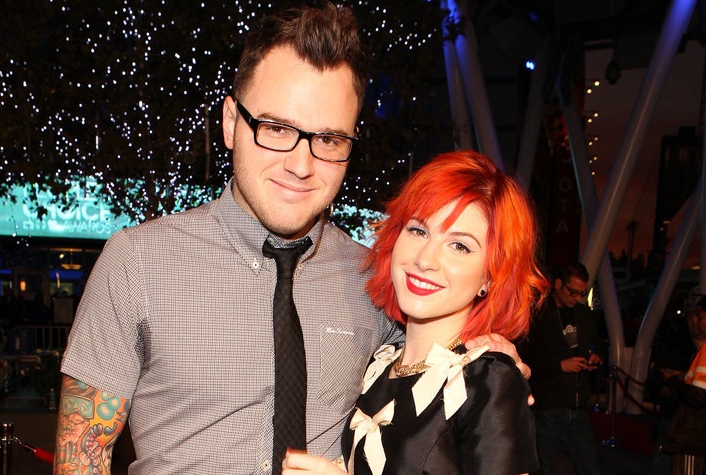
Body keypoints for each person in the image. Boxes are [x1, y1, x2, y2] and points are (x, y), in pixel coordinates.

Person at [54, 4, 526, 474]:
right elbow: (81, 457)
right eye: (276, 128)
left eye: (328, 140)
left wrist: (493, 361)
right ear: (231, 122)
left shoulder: (376, 279)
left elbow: (441, 366)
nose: (301, 166)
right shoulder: (136, 263)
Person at [282, 150, 548, 474]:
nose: (425, 259)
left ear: (490, 277)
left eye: (460, 246)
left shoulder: (488, 381)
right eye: (419, 231)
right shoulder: (379, 365)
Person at [517, 262, 603, 475]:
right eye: (573, 292)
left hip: (578, 405)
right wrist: (559, 366)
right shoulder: (538, 315)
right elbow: (523, 363)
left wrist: (596, 357)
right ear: (558, 284)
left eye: (581, 294)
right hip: (547, 407)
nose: (577, 298)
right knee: (541, 467)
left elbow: (597, 344)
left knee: (590, 468)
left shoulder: (585, 315)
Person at [661, 292, 706, 474]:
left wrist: (673, 382)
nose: (698, 323)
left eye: (700, 317)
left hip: (696, 438)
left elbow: (699, 396)